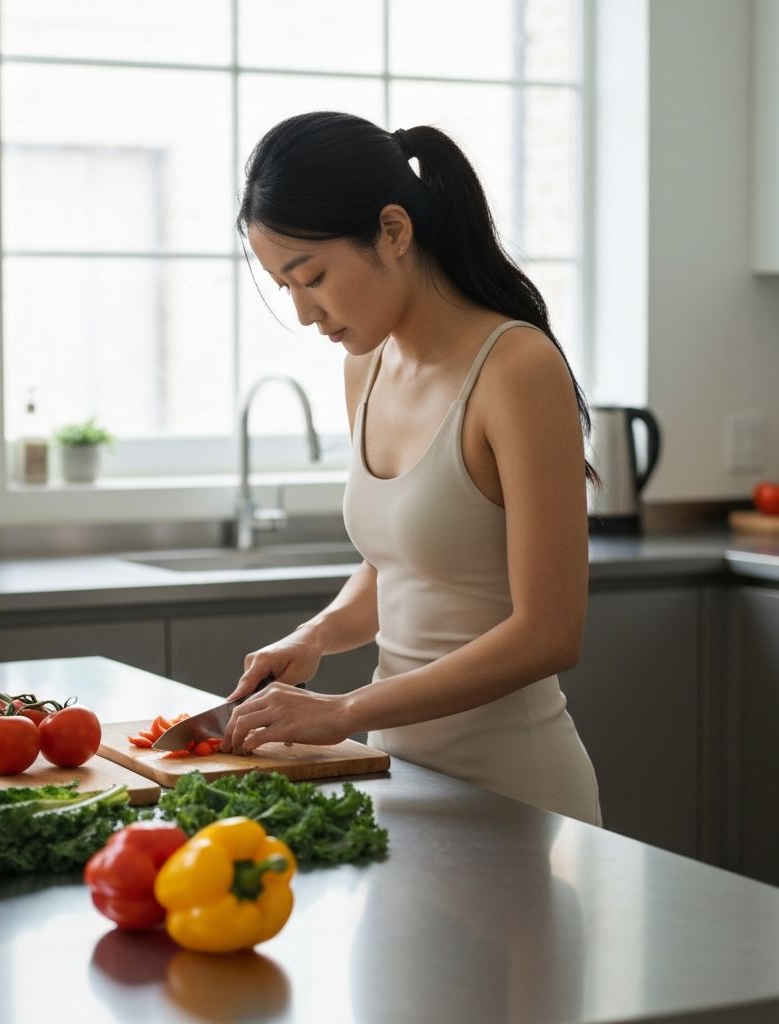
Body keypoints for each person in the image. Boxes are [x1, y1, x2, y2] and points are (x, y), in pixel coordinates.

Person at [221, 111, 601, 826]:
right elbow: (404, 563)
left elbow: (551, 632)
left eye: (314, 278)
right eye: (285, 288)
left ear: (393, 231)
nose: (305, 313)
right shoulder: (364, 366)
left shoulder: (516, 369)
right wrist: (317, 636)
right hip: (401, 785)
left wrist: (344, 710)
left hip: (517, 796)